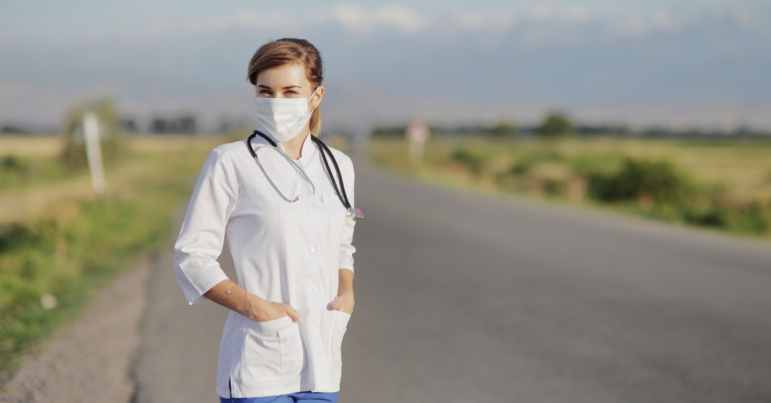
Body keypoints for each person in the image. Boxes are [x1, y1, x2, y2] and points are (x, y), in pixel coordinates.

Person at [174, 38, 358, 403]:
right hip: (259, 366)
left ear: (316, 96)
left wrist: (347, 292)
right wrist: (254, 307)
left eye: (291, 91)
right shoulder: (229, 162)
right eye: (266, 91)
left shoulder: (339, 166)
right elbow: (192, 256)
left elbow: (342, 244)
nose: (277, 102)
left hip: (322, 368)